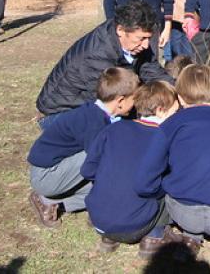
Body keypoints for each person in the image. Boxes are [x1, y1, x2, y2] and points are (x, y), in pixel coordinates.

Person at [134, 64, 210, 273]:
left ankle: (191, 239)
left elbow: (147, 175)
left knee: (188, 193)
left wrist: (152, 192)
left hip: (183, 211)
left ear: (179, 97)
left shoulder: (169, 125)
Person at [27, 67, 137, 228]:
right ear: (120, 100)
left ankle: (53, 202)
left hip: (58, 171)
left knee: (108, 181)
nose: (135, 105)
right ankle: (95, 206)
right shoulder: (93, 121)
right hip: (46, 175)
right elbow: (100, 163)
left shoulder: (99, 113)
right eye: (134, 99)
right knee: (102, 158)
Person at [35, 0, 172, 125]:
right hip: (60, 113)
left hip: (95, 104)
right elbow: (102, 105)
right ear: (120, 30)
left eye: (148, 38)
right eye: (141, 39)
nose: (146, 45)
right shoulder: (97, 55)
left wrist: (180, 92)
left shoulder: (134, 44)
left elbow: (151, 70)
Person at [82, 80, 179, 255]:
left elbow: (88, 170)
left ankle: (109, 238)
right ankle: (154, 236)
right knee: (169, 185)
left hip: (98, 219)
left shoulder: (114, 128)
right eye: (175, 111)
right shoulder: (165, 138)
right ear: (161, 110)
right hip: (134, 226)